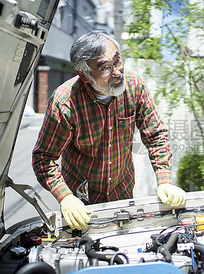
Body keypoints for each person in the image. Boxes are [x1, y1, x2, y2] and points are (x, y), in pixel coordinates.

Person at [32, 31, 186, 230]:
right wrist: (66, 198)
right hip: (80, 202)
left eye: (118, 61)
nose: (117, 72)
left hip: (122, 191)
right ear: (84, 74)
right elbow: (43, 158)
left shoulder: (135, 87)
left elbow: (155, 134)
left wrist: (164, 179)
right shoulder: (65, 102)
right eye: (105, 67)